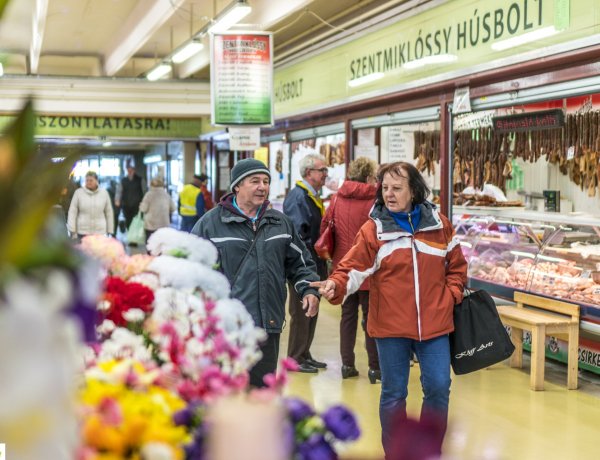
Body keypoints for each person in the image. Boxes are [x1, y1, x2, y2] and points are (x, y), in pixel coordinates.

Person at [311, 161, 468, 456]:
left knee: (438, 386)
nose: (389, 194)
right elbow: (352, 266)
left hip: (435, 323)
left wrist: (452, 295)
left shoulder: (440, 224)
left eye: (397, 188)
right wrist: (336, 283)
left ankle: (428, 449)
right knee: (394, 393)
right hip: (390, 326)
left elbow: (457, 267)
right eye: (384, 188)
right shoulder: (374, 229)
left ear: (414, 191)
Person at [191, 158, 321, 388]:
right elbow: (192, 271)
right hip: (227, 327)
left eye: (266, 181)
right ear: (237, 186)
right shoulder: (210, 224)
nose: (263, 186)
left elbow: (300, 263)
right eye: (255, 181)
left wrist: (309, 288)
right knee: (226, 394)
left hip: (267, 324)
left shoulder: (280, 223)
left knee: (262, 395)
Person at [320, 157, 380, 382]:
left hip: (343, 266)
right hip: (369, 267)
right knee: (371, 318)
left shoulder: (336, 199)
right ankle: (375, 368)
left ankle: (347, 364)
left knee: (347, 317)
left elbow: (325, 226)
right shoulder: (376, 201)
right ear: (368, 177)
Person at [283, 153, 329, 373]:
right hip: (302, 265)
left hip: (314, 263)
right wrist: (313, 251)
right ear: (309, 173)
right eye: (322, 170)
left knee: (312, 308)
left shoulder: (311, 196)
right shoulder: (298, 197)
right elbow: (297, 235)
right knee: (301, 312)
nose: (325, 174)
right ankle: (295, 358)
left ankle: (304, 353)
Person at [67, 171, 114, 239]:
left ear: (96, 181)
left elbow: (109, 212)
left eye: (91, 180)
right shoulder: (78, 193)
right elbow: (72, 212)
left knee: (97, 250)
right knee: (83, 249)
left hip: (99, 232)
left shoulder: (104, 193)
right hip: (82, 231)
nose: (88, 182)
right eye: (87, 180)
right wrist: (72, 229)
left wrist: (110, 230)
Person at [139, 177, 176, 241]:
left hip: (151, 225)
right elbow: (173, 208)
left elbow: (143, 209)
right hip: (164, 225)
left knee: (151, 245)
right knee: (162, 244)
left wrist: (141, 205)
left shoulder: (148, 195)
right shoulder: (166, 195)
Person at [116, 165, 144, 231]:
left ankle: (135, 235)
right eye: (128, 170)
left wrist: (144, 202)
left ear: (134, 171)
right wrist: (117, 200)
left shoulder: (140, 180)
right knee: (128, 220)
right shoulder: (123, 180)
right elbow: (119, 191)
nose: (129, 172)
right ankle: (130, 234)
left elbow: (144, 191)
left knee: (136, 220)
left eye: (131, 170)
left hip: (137, 205)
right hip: (126, 205)